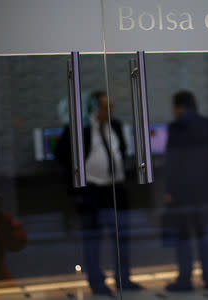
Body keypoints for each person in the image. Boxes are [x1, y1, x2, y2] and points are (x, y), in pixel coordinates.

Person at [55, 91, 142, 296]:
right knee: (93, 238)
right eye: (106, 107)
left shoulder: (116, 126)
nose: (110, 110)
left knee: (121, 236)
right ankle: (97, 281)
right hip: (93, 190)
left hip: (116, 188)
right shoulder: (79, 128)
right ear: (94, 108)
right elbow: (61, 155)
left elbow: (120, 151)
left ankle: (124, 278)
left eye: (111, 106)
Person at [163, 90, 208, 291]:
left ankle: (185, 278)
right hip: (207, 189)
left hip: (183, 192)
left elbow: (172, 162)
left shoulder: (176, 126)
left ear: (179, 107)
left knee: (183, 236)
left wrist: (169, 190)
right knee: (206, 234)